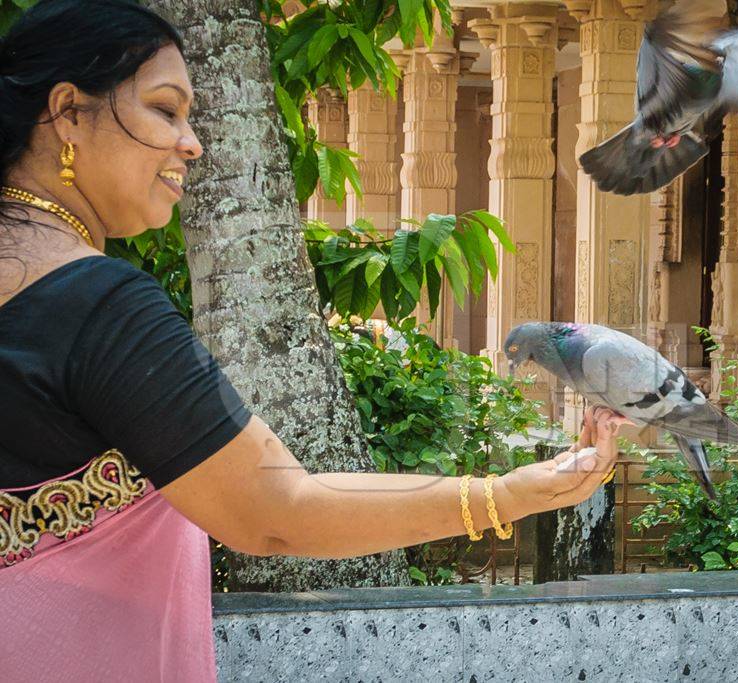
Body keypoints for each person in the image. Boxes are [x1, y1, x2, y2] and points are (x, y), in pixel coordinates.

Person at [0, 1, 622, 680]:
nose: (192, 143)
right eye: (165, 109)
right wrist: (509, 494)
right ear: (67, 113)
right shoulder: (99, 306)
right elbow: (274, 510)